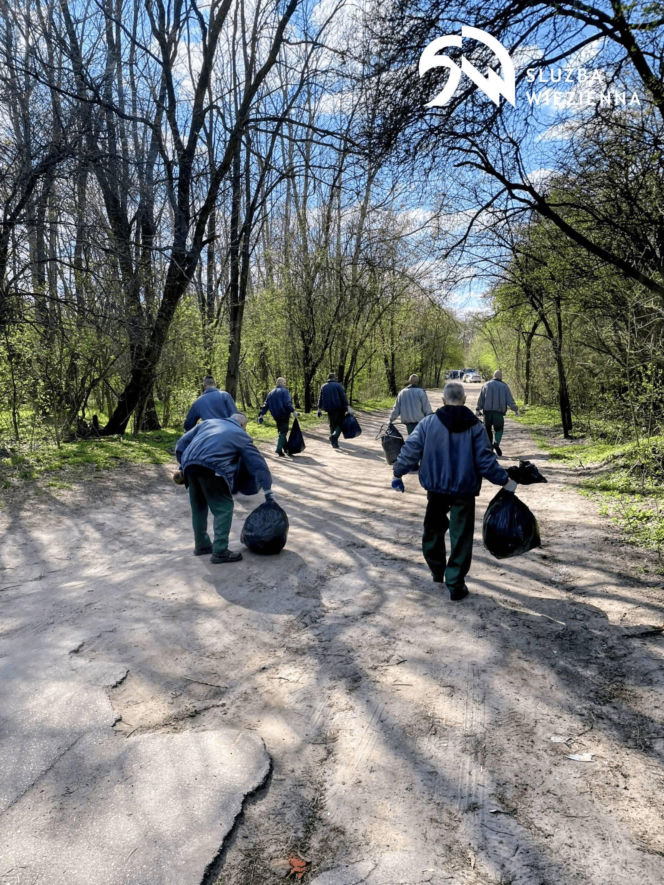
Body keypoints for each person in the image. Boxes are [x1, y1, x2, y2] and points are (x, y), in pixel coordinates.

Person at [390, 382, 517, 601]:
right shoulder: (476, 427)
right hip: (464, 490)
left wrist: (398, 472)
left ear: (442, 400)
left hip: (436, 489)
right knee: (461, 536)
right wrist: (504, 480)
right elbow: (486, 461)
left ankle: (437, 570)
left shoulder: (428, 423)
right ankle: (456, 583)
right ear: (465, 400)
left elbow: (410, 449)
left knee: (433, 530)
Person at [175, 414, 273, 563]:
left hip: (190, 467)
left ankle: (201, 545)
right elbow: (257, 464)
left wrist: (183, 465)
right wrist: (267, 490)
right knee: (224, 507)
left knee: (199, 507)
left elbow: (181, 444)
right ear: (242, 425)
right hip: (212, 468)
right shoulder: (241, 435)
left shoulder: (207, 423)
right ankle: (220, 551)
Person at [475, 369, 520, 457]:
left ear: (493, 376)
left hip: (487, 413)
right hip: (498, 414)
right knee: (499, 429)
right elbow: (510, 400)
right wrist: (516, 409)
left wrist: (477, 409)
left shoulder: (486, 385)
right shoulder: (504, 386)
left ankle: (490, 449)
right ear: (501, 377)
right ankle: (496, 443)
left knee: (487, 430)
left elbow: (481, 399)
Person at [258, 377, 298, 457]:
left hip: (276, 415)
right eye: (284, 383)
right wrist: (293, 411)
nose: (285, 384)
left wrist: (261, 415)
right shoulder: (284, 391)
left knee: (281, 431)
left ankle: (286, 450)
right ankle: (279, 449)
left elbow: (266, 405)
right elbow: (287, 403)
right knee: (283, 431)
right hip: (284, 414)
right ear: (282, 383)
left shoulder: (271, 393)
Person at [317, 372, 350, 449]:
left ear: (328, 378)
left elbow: (320, 398)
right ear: (334, 378)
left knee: (332, 425)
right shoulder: (338, 385)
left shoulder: (323, 386)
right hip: (340, 408)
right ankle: (333, 436)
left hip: (329, 409)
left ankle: (334, 443)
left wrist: (319, 409)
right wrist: (347, 406)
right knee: (341, 424)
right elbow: (343, 397)